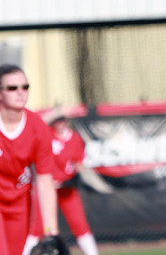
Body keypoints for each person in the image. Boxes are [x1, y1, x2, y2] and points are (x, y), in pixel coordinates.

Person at [23, 109, 103, 255]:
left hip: (67, 189)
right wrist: (55, 112)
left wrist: (77, 174)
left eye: (62, 119)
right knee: (37, 228)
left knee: (80, 225)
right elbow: (36, 124)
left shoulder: (75, 139)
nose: (60, 123)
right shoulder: (49, 134)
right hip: (48, 189)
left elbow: (79, 164)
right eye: (57, 120)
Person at [0, 64, 59, 255]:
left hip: (18, 203)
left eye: (25, 87)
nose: (20, 92)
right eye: (12, 88)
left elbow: (44, 182)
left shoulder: (37, 128)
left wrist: (51, 232)